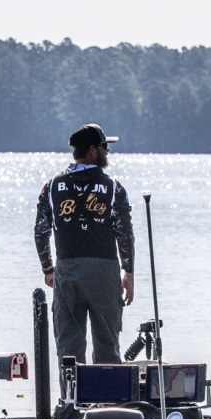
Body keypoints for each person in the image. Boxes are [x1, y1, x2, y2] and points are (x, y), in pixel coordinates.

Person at [34, 123, 135, 395]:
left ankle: (70, 405)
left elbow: (41, 231)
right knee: (107, 343)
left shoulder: (52, 186)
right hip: (104, 272)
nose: (107, 151)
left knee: (68, 346)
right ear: (92, 150)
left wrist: (48, 268)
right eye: (104, 146)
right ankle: (108, 402)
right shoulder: (113, 187)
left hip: (67, 271)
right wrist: (129, 272)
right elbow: (125, 233)